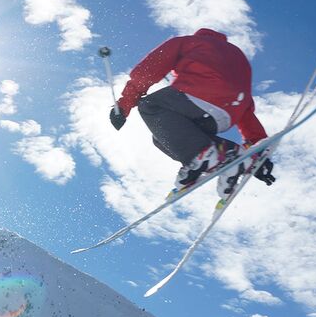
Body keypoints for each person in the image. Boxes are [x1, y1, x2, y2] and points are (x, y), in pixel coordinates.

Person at [109, 28, 275, 195]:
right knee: (163, 136)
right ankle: (230, 156)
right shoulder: (240, 60)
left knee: (151, 106)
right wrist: (259, 153)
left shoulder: (189, 42)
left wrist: (124, 105)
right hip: (224, 115)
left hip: (200, 95)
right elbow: (243, 104)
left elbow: (151, 67)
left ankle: (201, 156)